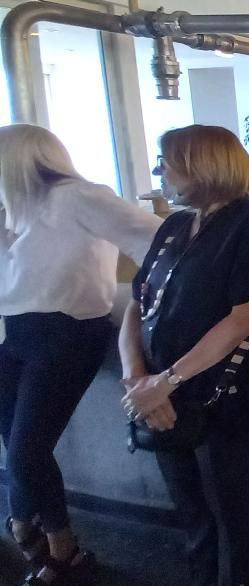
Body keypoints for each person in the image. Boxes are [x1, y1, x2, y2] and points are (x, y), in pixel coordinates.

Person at [118, 125, 249, 586]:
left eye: (166, 162)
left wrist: (165, 381)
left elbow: (244, 318)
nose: (157, 171)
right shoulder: (175, 227)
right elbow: (139, 304)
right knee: (191, 510)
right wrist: (138, 379)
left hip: (224, 400)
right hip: (163, 397)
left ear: (202, 166)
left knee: (231, 508)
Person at [0, 123, 161, 586]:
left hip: (67, 332)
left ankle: (55, 543)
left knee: (26, 451)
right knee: (19, 445)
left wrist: (154, 300)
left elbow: (157, 238)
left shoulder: (79, 197)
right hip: (14, 333)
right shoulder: (15, 208)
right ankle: (31, 528)